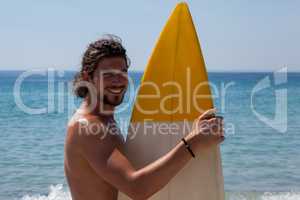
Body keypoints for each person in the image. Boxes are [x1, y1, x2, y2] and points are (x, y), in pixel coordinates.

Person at [64, 35, 224, 200]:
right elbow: (136, 188)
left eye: (123, 72)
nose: (118, 81)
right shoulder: (86, 127)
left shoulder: (102, 120)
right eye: (109, 74)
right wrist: (194, 141)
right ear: (87, 77)